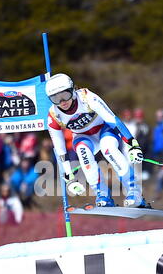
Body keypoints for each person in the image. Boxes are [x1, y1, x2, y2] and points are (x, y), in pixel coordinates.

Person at [45, 73, 150, 208]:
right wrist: (69, 177)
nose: (62, 102)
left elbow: (112, 119)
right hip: (83, 138)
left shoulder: (87, 98)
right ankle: (102, 194)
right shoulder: (53, 115)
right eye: (55, 98)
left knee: (108, 149)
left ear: (72, 90)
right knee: (83, 153)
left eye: (65, 95)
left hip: (104, 130)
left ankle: (134, 191)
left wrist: (132, 144)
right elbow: (60, 148)